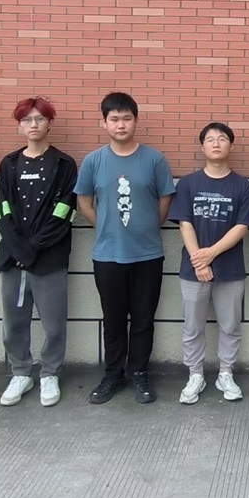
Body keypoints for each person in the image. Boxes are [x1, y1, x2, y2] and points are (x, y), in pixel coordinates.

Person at [75, 92, 175, 405]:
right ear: (104, 123)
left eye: (127, 118)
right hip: (107, 255)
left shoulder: (154, 159)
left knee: (144, 319)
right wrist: (105, 225)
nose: (121, 125)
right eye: (114, 119)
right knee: (114, 319)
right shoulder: (94, 160)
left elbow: (165, 199)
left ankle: (139, 372)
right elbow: (83, 202)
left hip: (148, 254)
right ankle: (113, 374)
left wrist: (149, 226)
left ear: (136, 121)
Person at [0, 97, 78, 408]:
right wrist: (19, 249)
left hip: (49, 258)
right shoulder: (9, 163)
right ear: (19, 125)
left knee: (53, 323)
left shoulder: (64, 164)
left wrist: (32, 248)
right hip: (13, 258)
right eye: (27, 119)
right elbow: (2, 210)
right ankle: (21, 372)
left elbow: (64, 212)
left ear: (49, 123)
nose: (33, 124)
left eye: (39, 119)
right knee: (14, 321)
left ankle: (50, 373)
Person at [168, 122, 249, 404]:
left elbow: (242, 227)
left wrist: (211, 254)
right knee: (192, 327)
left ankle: (225, 373)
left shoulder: (243, 187)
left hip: (230, 270)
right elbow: (184, 223)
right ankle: (195, 374)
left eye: (222, 139)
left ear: (231, 145)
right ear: (202, 146)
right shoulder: (188, 184)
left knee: (230, 325)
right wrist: (200, 261)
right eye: (210, 139)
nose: (216, 143)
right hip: (193, 270)